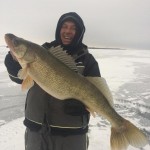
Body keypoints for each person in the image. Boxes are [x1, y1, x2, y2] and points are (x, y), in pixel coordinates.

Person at [4, 12, 101, 150]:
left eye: (73, 28)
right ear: (58, 29)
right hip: (37, 134)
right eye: (64, 26)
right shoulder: (43, 51)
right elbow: (19, 78)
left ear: (79, 32)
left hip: (71, 138)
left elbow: (97, 93)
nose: (68, 31)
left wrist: (83, 108)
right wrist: (12, 62)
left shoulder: (87, 61)